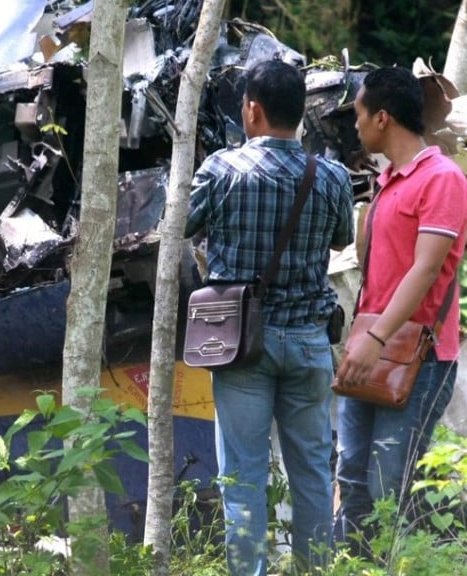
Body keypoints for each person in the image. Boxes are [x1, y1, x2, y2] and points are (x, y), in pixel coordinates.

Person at [185, 59, 355, 575]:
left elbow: (177, 225)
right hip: (308, 343)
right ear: (301, 113)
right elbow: (342, 240)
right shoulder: (330, 176)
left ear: (252, 109)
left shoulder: (219, 170)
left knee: (243, 477)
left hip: (241, 345)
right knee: (312, 475)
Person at [333, 66, 467, 556]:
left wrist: (372, 340)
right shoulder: (386, 182)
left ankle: (457, 549)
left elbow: (426, 270)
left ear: (383, 118)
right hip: (370, 345)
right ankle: (351, 564)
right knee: (351, 475)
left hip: (420, 357)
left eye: (359, 114)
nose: (356, 125)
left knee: (388, 480)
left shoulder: (442, 179)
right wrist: (362, 338)